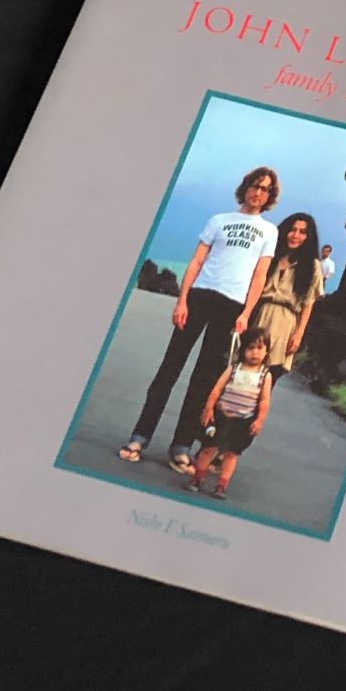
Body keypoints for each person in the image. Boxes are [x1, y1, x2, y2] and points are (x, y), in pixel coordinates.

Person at [118, 166, 281, 473]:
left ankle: (181, 446)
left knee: (204, 379)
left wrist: (246, 313)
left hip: (232, 306)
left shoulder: (269, 231)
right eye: (255, 186)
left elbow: (260, 276)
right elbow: (196, 261)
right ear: (245, 187)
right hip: (200, 297)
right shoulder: (219, 220)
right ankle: (139, 437)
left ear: (270, 196)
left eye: (265, 189)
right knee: (169, 369)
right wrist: (182, 300)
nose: (258, 193)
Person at [232, 211, 325, 443]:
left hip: (285, 323)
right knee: (239, 379)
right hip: (260, 315)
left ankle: (235, 447)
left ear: (309, 237)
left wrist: (299, 334)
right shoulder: (271, 255)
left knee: (263, 387)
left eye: (302, 232)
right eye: (292, 230)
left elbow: (308, 304)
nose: (296, 235)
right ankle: (215, 442)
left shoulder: (312, 266)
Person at [186, 328, 272, 501]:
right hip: (221, 416)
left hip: (243, 421)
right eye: (250, 348)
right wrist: (209, 409)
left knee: (231, 454)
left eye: (259, 348)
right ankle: (197, 478)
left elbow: (264, 400)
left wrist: (259, 420)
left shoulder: (265, 375)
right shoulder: (233, 369)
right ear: (243, 350)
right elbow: (217, 389)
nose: (255, 352)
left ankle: (221, 485)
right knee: (207, 448)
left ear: (267, 351)